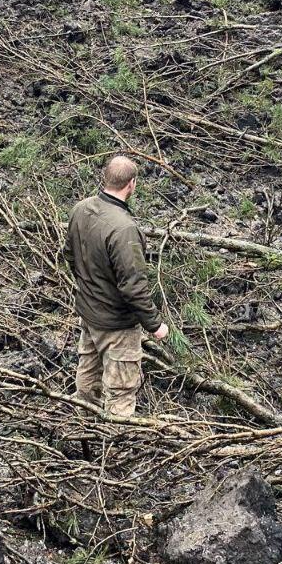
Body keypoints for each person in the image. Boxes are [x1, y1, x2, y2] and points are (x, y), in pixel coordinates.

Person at [66, 155, 169, 417]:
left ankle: (82, 433)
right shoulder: (125, 229)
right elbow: (133, 286)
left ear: (106, 177)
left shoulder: (81, 208)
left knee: (87, 380)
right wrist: (155, 325)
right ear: (131, 184)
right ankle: (114, 448)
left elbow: (69, 255)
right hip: (116, 324)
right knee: (121, 392)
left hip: (88, 313)